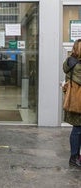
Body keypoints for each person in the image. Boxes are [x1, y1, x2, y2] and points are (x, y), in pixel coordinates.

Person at [63, 39, 81, 168]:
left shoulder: (69, 61)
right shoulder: (77, 65)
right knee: (77, 129)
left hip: (74, 100)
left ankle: (75, 156)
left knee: (77, 129)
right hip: (78, 101)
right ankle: (74, 157)